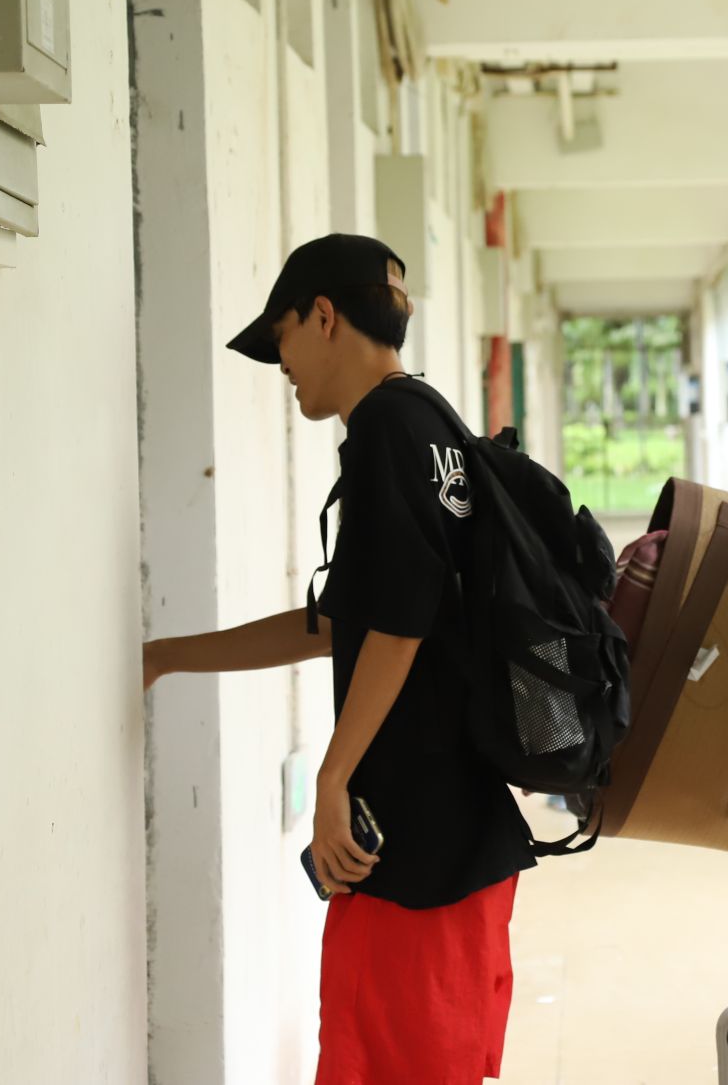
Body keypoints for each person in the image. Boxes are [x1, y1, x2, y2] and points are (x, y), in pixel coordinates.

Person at [142, 233, 534, 1085]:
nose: (280, 363)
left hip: (412, 858)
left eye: (280, 336)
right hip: (464, 841)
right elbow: (342, 622)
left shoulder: (385, 429)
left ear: (323, 316)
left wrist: (332, 775)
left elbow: (401, 625)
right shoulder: (432, 422)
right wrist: (167, 656)